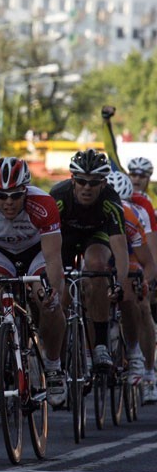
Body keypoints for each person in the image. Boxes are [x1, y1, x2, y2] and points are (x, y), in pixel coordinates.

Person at [0, 157, 66, 409]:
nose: (8, 202)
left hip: (35, 252)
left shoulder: (43, 203)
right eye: (2, 195)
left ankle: (53, 368)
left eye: (16, 196)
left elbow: (52, 256)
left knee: (47, 300)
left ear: (25, 191)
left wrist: (54, 292)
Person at [50, 149, 128, 372]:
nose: (87, 187)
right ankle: (58, 363)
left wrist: (120, 283)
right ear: (72, 179)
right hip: (64, 238)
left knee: (97, 266)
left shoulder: (111, 200)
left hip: (96, 236)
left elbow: (120, 248)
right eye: (82, 181)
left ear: (103, 183)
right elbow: (45, 243)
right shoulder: (58, 196)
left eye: (93, 183)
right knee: (61, 296)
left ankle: (101, 345)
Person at [105, 171, 157, 385]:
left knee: (140, 304)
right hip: (103, 254)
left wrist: (146, 283)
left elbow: (150, 258)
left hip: (133, 254)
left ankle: (147, 371)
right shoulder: (94, 211)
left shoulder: (137, 211)